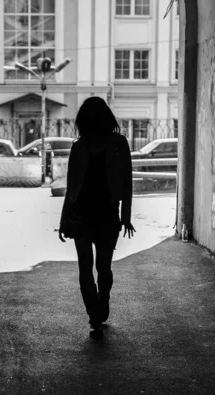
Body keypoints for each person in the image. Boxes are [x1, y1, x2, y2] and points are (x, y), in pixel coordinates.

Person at [58, 96, 136, 339]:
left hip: (106, 214)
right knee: (87, 267)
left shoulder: (118, 144)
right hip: (83, 214)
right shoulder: (78, 147)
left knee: (102, 267)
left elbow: (126, 182)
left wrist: (126, 216)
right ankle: (94, 316)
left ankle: (103, 301)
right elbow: (71, 188)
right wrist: (64, 220)